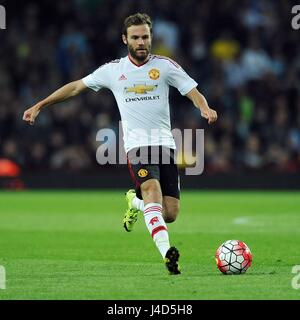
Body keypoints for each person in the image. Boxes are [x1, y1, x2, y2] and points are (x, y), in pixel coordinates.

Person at [23, 13, 218, 275]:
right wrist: (40, 105)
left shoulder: (165, 66)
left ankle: (133, 202)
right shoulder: (113, 71)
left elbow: (191, 91)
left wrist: (204, 107)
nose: (141, 42)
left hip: (165, 145)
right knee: (151, 191)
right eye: (135, 37)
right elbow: (75, 88)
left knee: (169, 213)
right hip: (136, 146)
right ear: (125, 39)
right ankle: (168, 255)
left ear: (151, 38)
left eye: (145, 37)